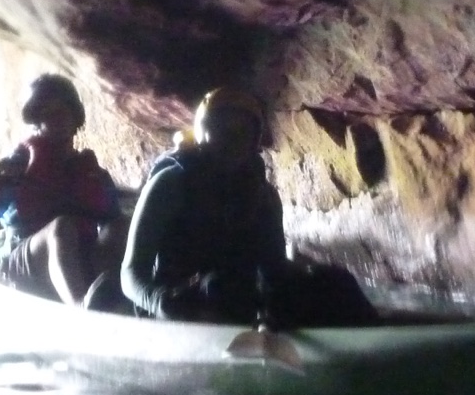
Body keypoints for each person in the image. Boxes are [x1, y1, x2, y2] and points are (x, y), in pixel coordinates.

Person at [121, 87, 377, 326]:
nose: (232, 140)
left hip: (236, 294)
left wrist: (299, 289)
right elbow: (131, 274)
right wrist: (159, 301)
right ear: (203, 132)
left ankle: (378, 349)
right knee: (218, 288)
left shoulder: (263, 195)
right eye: (222, 129)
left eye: (242, 131)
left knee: (337, 282)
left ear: (254, 139)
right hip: (179, 301)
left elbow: (273, 272)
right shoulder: (170, 185)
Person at [0, 74, 119, 304]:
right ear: (36, 121)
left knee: (120, 227)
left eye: (62, 111)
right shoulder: (16, 167)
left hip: (80, 262)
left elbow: (113, 224)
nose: (56, 119)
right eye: (47, 114)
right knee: (62, 228)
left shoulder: (93, 173)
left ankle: (127, 298)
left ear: (75, 117)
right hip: (24, 264)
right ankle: (81, 307)